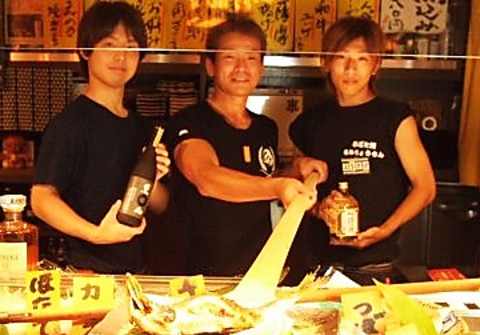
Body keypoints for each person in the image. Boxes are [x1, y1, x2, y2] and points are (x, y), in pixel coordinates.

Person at [164, 13, 327, 282]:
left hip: (261, 272)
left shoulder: (266, 128)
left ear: (262, 67)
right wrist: (277, 186)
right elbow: (207, 178)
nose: (241, 67)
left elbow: (259, 181)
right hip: (203, 278)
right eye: (229, 57)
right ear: (210, 66)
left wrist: (295, 171)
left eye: (251, 58)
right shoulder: (190, 122)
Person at [289, 16, 436, 285]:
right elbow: (292, 184)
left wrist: (385, 230)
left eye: (362, 59)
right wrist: (316, 207)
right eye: (341, 57)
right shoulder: (312, 120)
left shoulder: (395, 118)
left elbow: (425, 187)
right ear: (326, 62)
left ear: (375, 66)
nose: (350, 69)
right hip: (318, 264)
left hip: (375, 266)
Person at [31, 1, 170, 274]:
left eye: (131, 47)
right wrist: (95, 234)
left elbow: (161, 204)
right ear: (85, 51)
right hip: (88, 274)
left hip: (136, 273)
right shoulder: (70, 124)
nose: (121, 56)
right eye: (109, 45)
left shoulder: (142, 127)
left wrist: (154, 181)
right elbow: (41, 198)